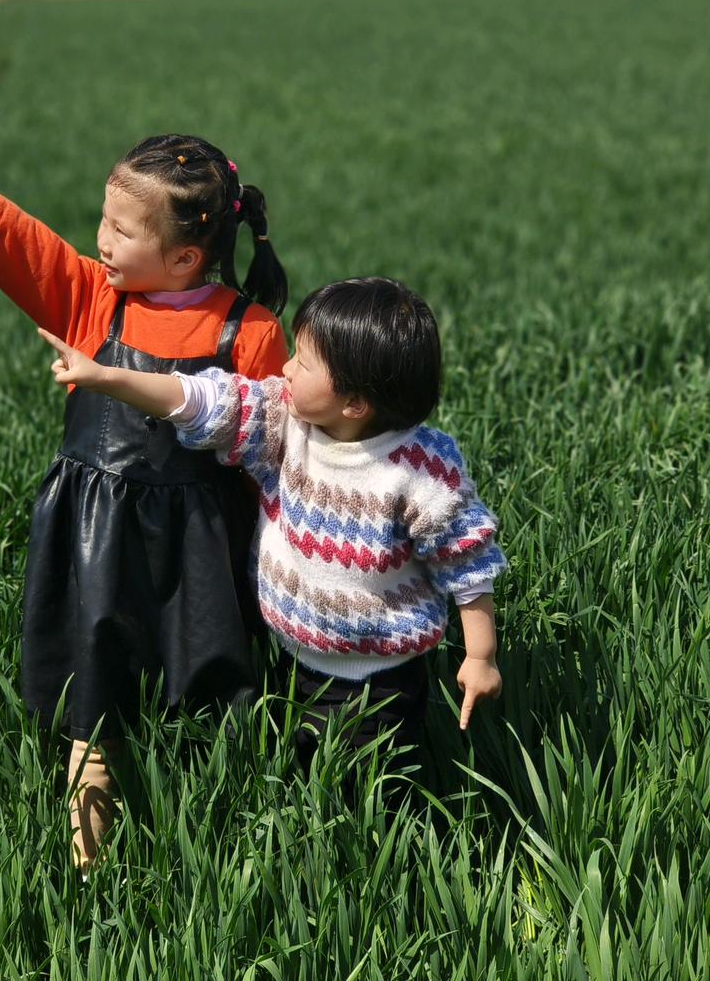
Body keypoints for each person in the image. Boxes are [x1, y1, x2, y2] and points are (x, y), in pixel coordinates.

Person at [0, 124, 289, 870]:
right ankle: (89, 875)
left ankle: (214, 861)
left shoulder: (252, 332)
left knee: (210, 711)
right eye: (103, 221)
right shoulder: (90, 299)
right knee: (93, 712)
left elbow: (273, 461)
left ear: (185, 256)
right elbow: (6, 237)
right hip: (95, 547)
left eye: (120, 230)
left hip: (201, 560)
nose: (100, 240)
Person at [37, 276, 507, 792]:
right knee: (300, 782)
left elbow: (468, 564)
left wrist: (479, 656)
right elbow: (203, 400)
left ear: (354, 403)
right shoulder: (286, 423)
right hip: (289, 660)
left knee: (369, 795)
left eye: (303, 362)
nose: (285, 368)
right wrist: (108, 378)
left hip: (378, 686)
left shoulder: (421, 472)